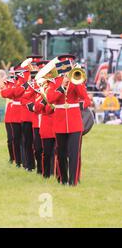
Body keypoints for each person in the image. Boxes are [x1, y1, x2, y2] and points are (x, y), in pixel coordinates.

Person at [46, 55, 90, 186]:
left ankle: (73, 181)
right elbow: (50, 98)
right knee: (61, 153)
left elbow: (85, 98)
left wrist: (76, 82)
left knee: (74, 153)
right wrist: (62, 85)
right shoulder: (54, 81)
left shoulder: (76, 79)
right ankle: (63, 179)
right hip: (59, 121)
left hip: (74, 122)